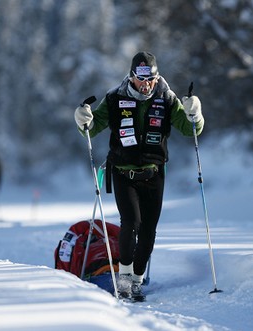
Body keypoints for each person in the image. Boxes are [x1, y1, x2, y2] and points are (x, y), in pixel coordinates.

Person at [74, 51, 204, 301]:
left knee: (148, 231)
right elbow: (93, 126)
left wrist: (194, 113)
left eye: (151, 80)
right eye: (141, 80)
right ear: (132, 77)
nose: (146, 85)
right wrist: (83, 120)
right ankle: (123, 279)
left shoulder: (166, 98)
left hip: (154, 173)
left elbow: (190, 129)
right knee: (131, 222)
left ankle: (136, 279)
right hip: (123, 172)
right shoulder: (115, 98)